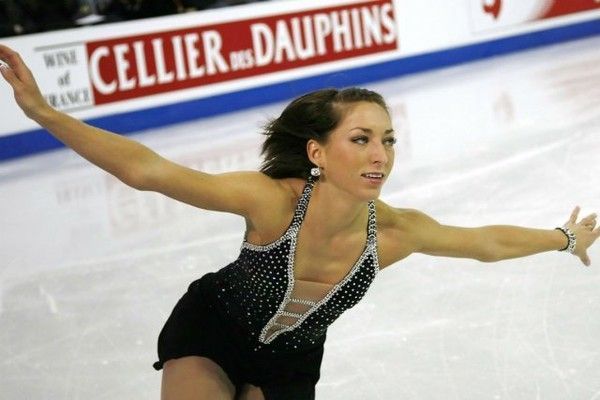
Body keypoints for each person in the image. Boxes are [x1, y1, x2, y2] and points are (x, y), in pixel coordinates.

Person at [1, 43, 598, 400]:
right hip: (212, 331)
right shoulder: (272, 203)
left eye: (388, 140)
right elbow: (147, 171)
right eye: (361, 139)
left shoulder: (391, 233)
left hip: (290, 364)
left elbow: (482, 243)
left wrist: (564, 238)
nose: (380, 155)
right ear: (317, 152)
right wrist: (44, 113)